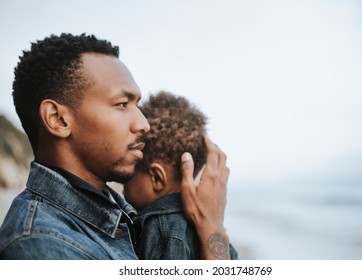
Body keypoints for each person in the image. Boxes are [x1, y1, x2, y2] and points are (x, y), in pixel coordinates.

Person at [0, 33, 231, 259]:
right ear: (58, 119)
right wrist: (212, 228)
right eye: (122, 104)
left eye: (137, 105)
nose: (144, 124)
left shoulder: (122, 213)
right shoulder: (41, 245)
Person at [123, 91, 238, 259]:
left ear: (156, 177)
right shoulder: (213, 232)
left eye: (133, 164)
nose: (126, 178)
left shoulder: (161, 227)